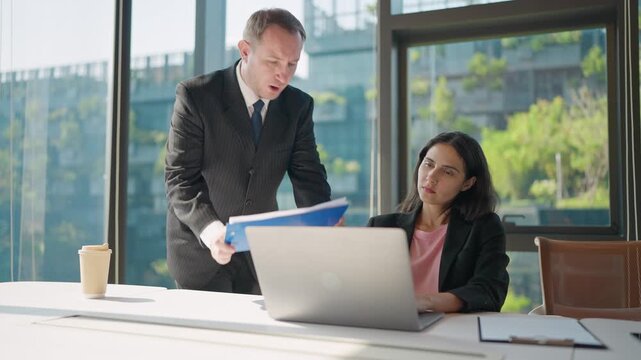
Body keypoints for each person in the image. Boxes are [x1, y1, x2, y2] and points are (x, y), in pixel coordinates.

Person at [165, 8, 331, 293]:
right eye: (273, 61)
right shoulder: (196, 96)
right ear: (245, 50)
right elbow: (180, 179)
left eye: (292, 63)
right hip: (201, 250)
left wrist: (327, 227)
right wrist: (212, 229)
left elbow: (309, 179)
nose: (284, 73)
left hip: (260, 257)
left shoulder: (298, 106)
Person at [367, 131, 509, 313]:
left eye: (448, 172)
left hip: (451, 330)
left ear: (467, 183)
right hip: (390, 325)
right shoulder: (381, 226)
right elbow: (360, 286)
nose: (431, 177)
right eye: (428, 164)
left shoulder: (484, 227)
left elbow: (489, 291)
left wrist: (425, 301)